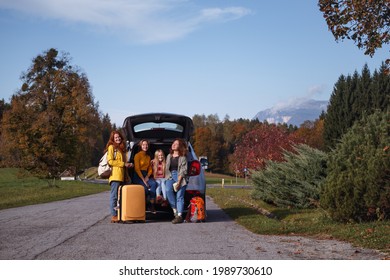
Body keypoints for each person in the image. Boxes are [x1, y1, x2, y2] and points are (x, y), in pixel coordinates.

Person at [106, 130, 132, 223]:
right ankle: (114, 215)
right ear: (112, 139)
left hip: (122, 176)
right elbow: (110, 161)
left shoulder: (122, 148)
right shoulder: (111, 147)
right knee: (114, 196)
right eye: (116, 137)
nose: (118, 138)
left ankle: (120, 214)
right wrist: (123, 164)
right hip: (115, 176)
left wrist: (128, 164)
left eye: (119, 137)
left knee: (120, 197)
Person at [165, 138, 188, 224]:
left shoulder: (183, 157)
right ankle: (175, 210)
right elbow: (166, 169)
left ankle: (179, 215)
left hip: (180, 177)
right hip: (170, 176)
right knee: (168, 190)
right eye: (173, 143)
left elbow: (183, 170)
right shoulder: (169, 156)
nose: (173, 145)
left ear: (180, 146)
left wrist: (179, 182)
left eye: (176, 144)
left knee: (179, 196)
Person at [133, 139, 158, 213]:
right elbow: (137, 169)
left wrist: (147, 176)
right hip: (138, 175)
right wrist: (144, 180)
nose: (145, 146)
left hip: (145, 174)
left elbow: (150, 169)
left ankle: (151, 205)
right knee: (145, 189)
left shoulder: (148, 157)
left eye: (146, 145)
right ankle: (142, 206)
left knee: (154, 183)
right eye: (143, 145)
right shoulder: (137, 155)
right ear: (141, 146)